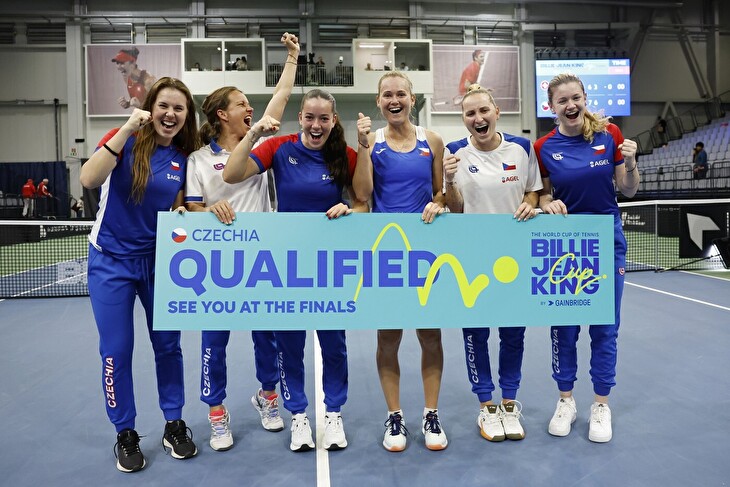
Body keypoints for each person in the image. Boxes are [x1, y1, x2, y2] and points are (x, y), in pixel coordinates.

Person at [223, 88, 369, 452]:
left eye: (324, 118)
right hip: (286, 266)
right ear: (300, 118)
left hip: (329, 267)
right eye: (310, 117)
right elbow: (232, 173)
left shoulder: (344, 155)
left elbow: (364, 203)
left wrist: (349, 210)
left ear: (334, 121)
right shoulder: (279, 147)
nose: (316, 125)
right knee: (289, 345)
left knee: (334, 345)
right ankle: (299, 417)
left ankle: (333, 414)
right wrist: (254, 132)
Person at [184, 32, 300, 452]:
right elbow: (190, 207)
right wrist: (208, 210)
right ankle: (216, 413)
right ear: (221, 114)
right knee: (214, 342)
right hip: (217, 264)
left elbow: (281, 98)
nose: (251, 109)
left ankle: (268, 397)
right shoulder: (198, 160)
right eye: (242, 104)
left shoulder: (261, 147)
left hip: (262, 258)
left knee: (267, 338)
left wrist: (292, 57)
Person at [80, 77, 201, 472]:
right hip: (110, 262)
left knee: (168, 346)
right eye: (164, 105)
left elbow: (179, 205)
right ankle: (125, 432)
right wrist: (128, 127)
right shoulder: (124, 139)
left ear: (186, 116)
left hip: (158, 263)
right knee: (116, 350)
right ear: (151, 108)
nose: (170, 114)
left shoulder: (183, 157)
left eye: (179, 108)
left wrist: (183, 212)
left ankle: (174, 424)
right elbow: (88, 179)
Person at [533, 72, 640, 443]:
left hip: (606, 241)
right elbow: (543, 194)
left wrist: (632, 162)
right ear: (552, 107)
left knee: (604, 327)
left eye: (575, 98)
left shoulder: (609, 135)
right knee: (564, 328)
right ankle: (566, 400)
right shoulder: (543, 147)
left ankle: (600, 404)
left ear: (584, 99)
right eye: (562, 101)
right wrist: (548, 202)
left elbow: (627, 189)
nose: (571, 105)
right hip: (564, 246)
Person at [353, 71, 448, 452]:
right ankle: (394, 417)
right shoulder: (372, 142)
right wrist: (362, 147)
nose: (395, 100)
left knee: (430, 336)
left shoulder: (432, 140)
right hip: (388, 254)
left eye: (401, 94)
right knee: (388, 338)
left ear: (412, 98)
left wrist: (438, 204)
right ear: (378, 102)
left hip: (425, 253)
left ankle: (431, 414)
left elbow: (441, 193)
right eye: (387, 95)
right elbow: (362, 195)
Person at [443, 84, 542, 443]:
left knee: (514, 333)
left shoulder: (522, 148)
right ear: (464, 119)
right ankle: (486, 405)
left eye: (483, 110)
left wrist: (531, 203)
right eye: (470, 113)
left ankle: (510, 403)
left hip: (515, 257)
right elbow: (454, 207)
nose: (478, 118)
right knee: (476, 334)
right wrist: (449, 180)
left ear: (496, 112)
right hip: (472, 259)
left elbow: (533, 190)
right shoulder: (454, 152)